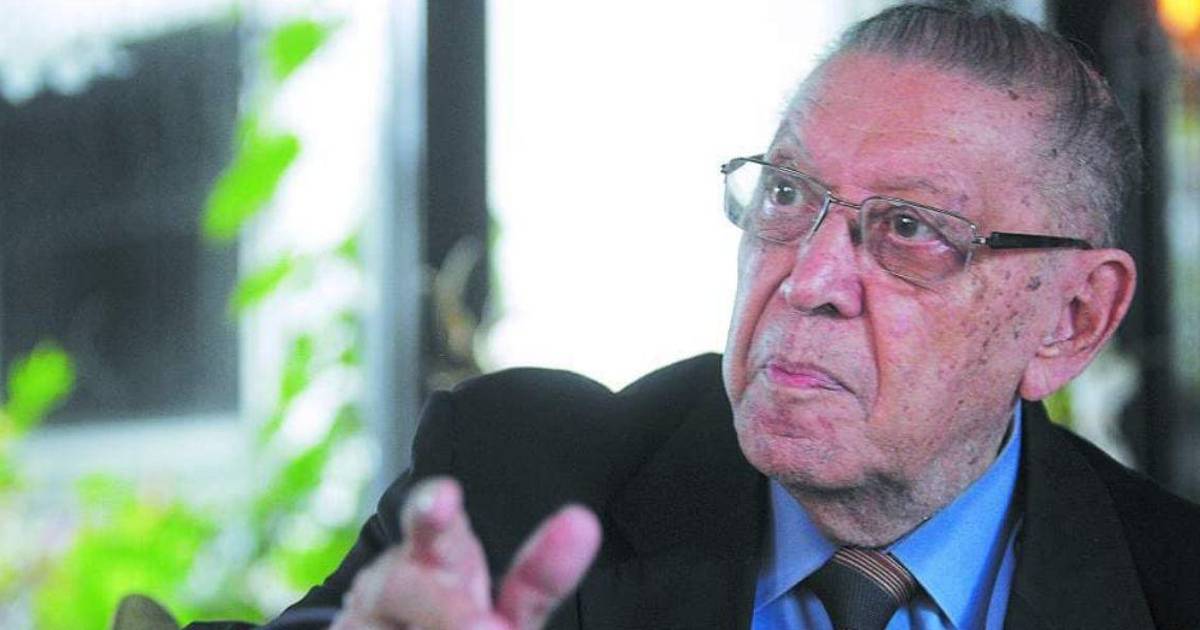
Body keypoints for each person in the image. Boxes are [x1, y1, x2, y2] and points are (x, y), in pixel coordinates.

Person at [189, 2, 1200, 629]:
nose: (808, 278)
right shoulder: (520, 481)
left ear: (1072, 319)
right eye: (789, 194)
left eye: (908, 228)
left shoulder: (1171, 583)